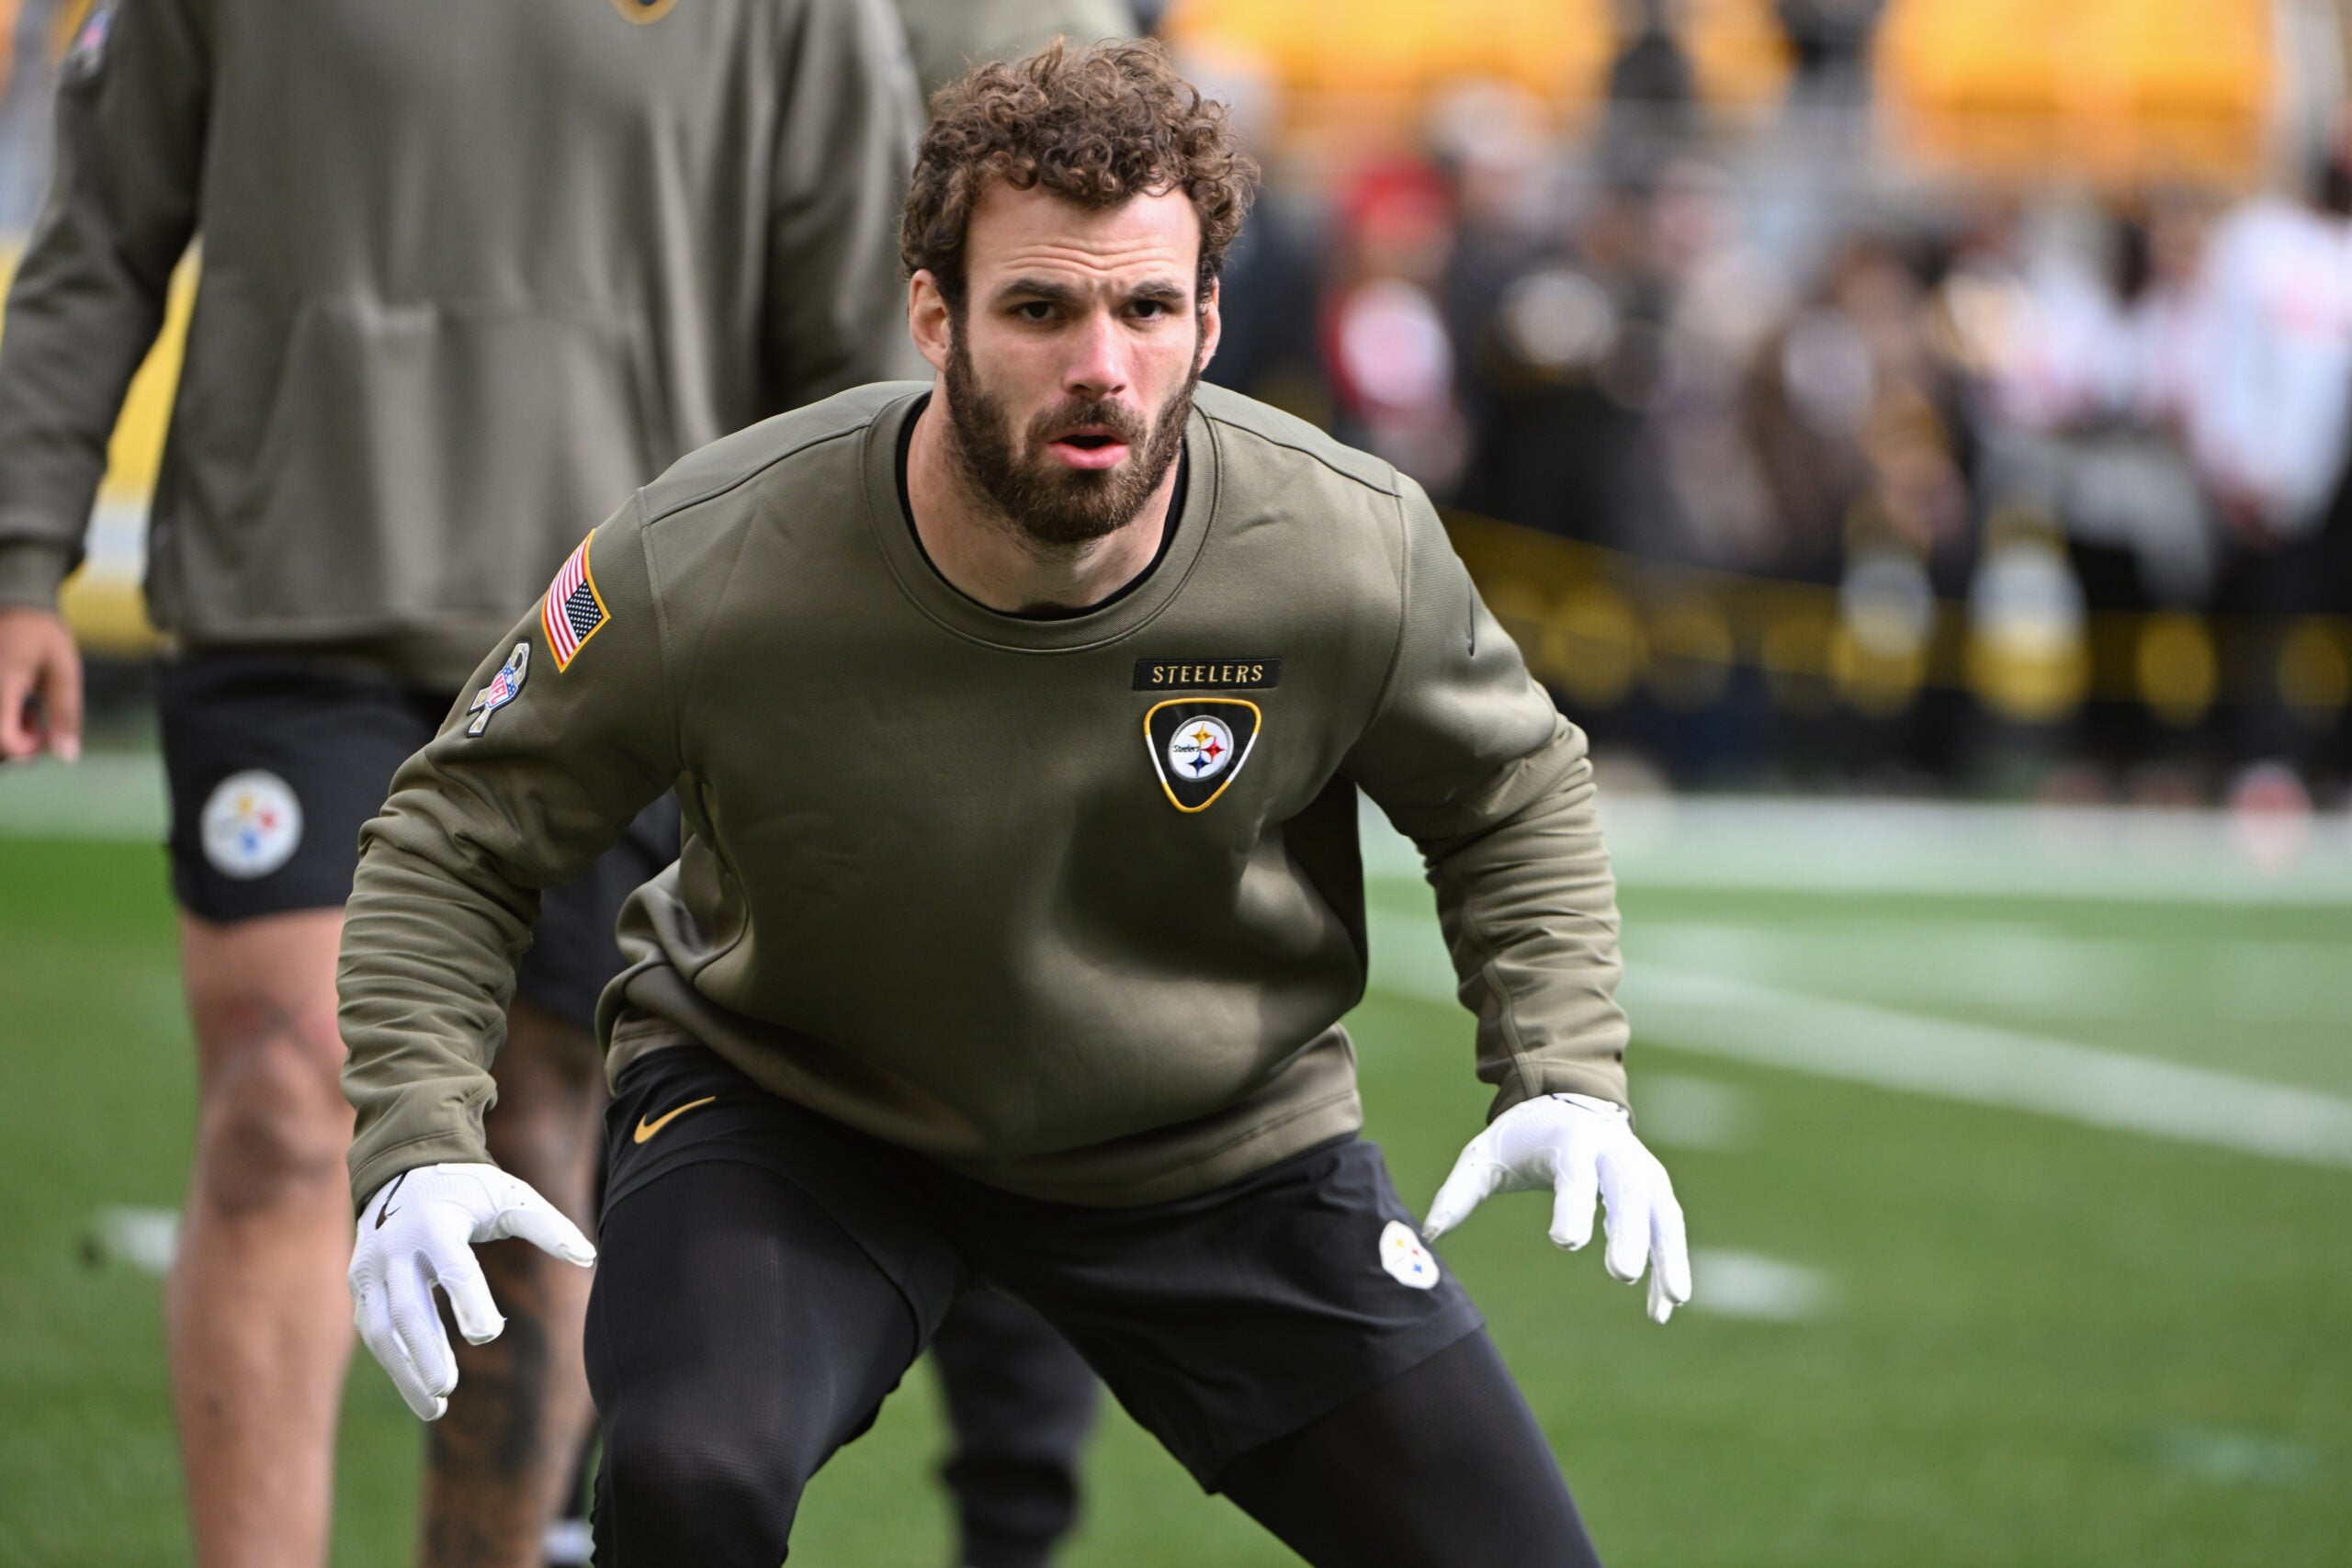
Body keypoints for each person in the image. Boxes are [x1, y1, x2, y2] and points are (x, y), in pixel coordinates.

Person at [339, 41, 1692, 1568]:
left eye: (1148, 308)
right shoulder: (714, 546)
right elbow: (454, 830)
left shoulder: (1345, 544)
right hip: (797, 1104)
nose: (1100, 364)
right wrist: (417, 1135)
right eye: (1040, 308)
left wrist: (1565, 1069)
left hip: (1211, 1142)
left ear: (1210, 322)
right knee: (689, 1489)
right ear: (936, 317)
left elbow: (1511, 786)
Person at [0, 2, 919, 1563]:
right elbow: (98, 240)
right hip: (295, 601)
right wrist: (23, 551)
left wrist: (866, 641)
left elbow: (856, 332)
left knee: (544, 1138)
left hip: (628, 628)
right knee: (289, 1106)